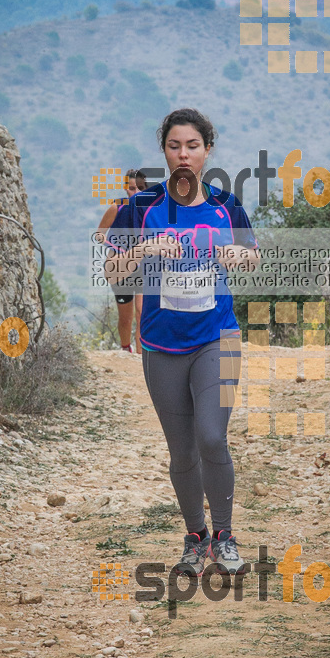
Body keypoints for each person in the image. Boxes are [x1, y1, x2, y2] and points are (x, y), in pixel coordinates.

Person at [104, 108, 260, 577]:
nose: (184, 154)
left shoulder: (225, 205)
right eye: (175, 146)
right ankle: (196, 538)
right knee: (182, 451)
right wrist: (142, 250)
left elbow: (252, 262)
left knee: (212, 436)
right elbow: (112, 273)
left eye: (192, 145)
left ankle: (227, 536)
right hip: (161, 343)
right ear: (165, 152)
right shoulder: (140, 208)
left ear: (207, 149)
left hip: (218, 336)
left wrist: (237, 254)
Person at [97, 169, 147, 353]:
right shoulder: (116, 208)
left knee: (142, 312)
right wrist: (116, 247)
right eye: (132, 188)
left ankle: (143, 357)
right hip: (120, 267)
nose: (136, 192)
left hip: (143, 266)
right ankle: (126, 348)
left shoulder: (151, 210)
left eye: (140, 188)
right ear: (126, 189)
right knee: (126, 317)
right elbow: (99, 234)